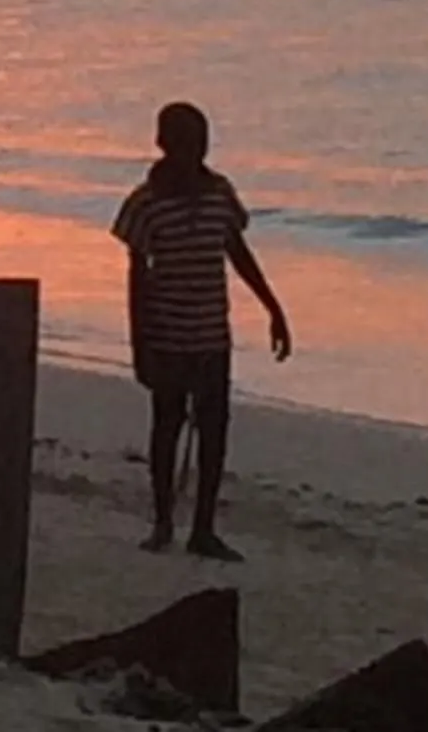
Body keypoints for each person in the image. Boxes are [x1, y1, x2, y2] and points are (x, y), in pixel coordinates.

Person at [111, 100, 291, 561]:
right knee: (167, 428)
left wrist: (273, 307)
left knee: (214, 433)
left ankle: (204, 529)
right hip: (167, 336)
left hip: (212, 335)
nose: (198, 151)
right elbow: (136, 279)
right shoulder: (146, 204)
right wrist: (139, 346)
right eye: (188, 142)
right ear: (166, 145)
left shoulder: (220, 194)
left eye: (202, 141)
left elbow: (238, 252)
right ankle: (163, 522)